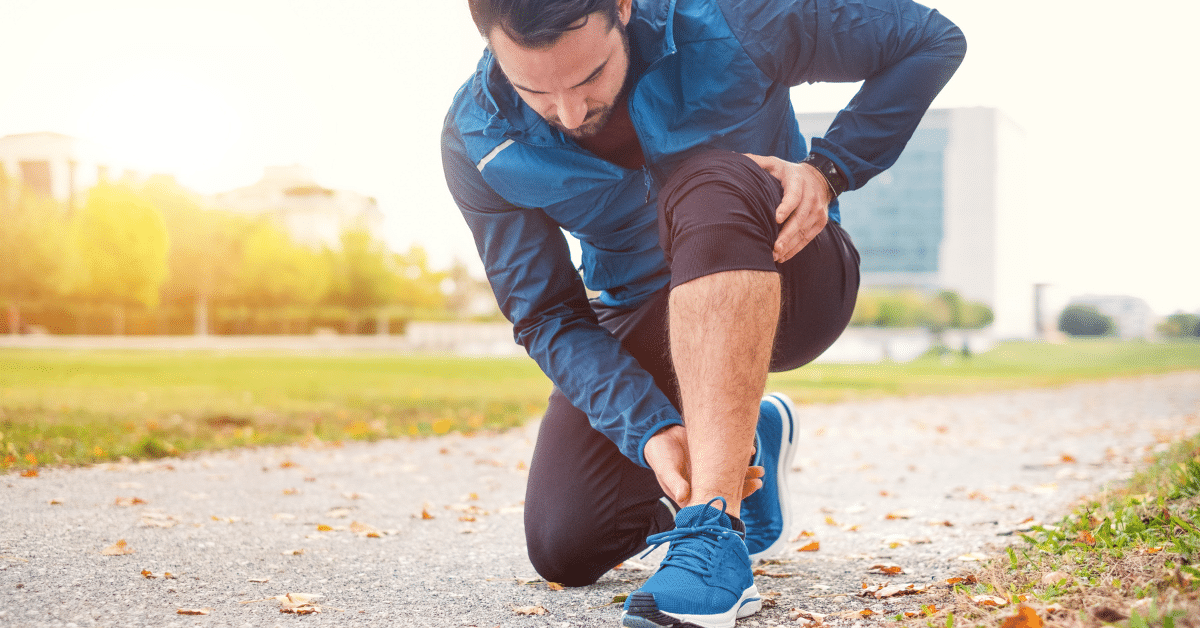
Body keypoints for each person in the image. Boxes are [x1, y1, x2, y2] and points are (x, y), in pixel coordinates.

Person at [441, 0, 965, 625]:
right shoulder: (477, 138)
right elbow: (547, 314)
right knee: (567, 546)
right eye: (536, 91)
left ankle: (714, 531)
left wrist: (831, 169)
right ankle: (746, 436)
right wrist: (649, 429)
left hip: (789, 274)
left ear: (623, 8)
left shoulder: (733, 17)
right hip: (644, 311)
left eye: (590, 76)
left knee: (709, 179)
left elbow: (930, 40)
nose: (571, 113)